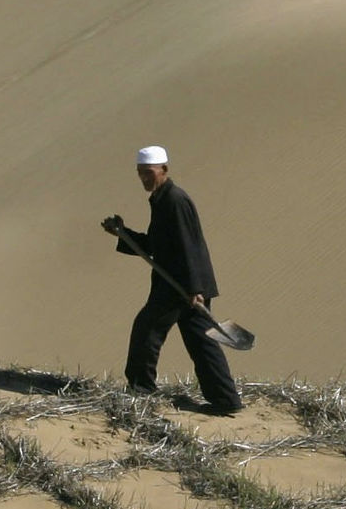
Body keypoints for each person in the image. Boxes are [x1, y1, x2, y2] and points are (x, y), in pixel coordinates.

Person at [101, 146, 241, 415]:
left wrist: (194, 288)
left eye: (149, 172)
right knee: (202, 342)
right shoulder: (161, 199)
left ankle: (141, 390)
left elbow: (189, 245)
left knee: (147, 329)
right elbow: (155, 245)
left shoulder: (174, 200)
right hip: (181, 282)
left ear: (164, 169)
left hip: (181, 285)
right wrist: (122, 232)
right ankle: (226, 400)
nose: (144, 178)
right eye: (140, 173)